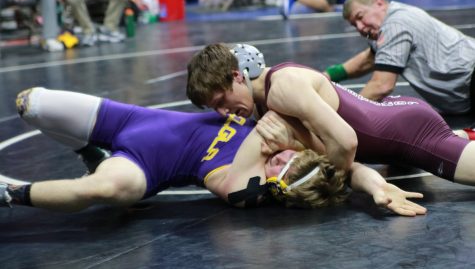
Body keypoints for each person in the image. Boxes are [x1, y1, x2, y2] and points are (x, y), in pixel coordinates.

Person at [0, 87, 425, 216]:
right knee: (30, 104)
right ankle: (88, 151)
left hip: (144, 166)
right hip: (135, 120)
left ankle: (12, 192)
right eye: (287, 157)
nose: (278, 156)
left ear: (274, 185)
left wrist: (262, 138)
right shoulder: (292, 146)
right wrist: (378, 186)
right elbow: (348, 169)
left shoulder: (240, 187)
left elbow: (276, 173)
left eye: (279, 167)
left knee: (110, 189)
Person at [186, 43, 475, 206]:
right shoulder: (264, 101)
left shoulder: (282, 88)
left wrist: (329, 180)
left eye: (222, 100)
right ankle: (464, 137)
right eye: (216, 109)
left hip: (410, 134)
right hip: (392, 123)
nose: (225, 113)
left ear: (237, 76)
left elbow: (346, 141)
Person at [324, 0, 475, 116]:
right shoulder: (395, 14)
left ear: (379, 3)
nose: (360, 27)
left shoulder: (394, 26)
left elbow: (381, 85)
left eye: (360, 17)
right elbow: (369, 59)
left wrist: (344, 118)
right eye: (354, 25)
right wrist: (329, 75)